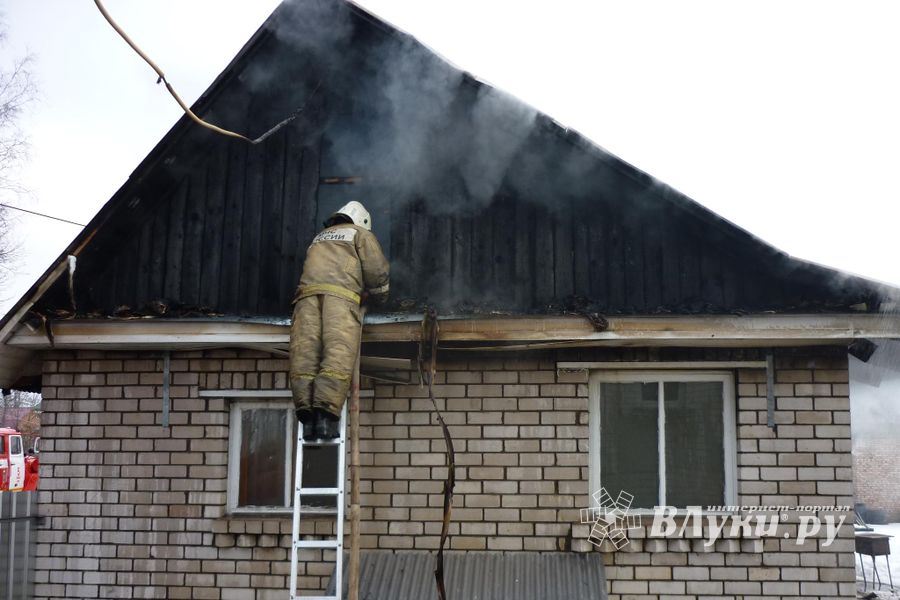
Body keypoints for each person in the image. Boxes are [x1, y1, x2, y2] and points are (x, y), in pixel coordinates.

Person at [289, 201, 390, 439]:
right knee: (338, 352)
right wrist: (380, 297)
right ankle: (325, 417)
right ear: (362, 221)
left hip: (305, 301)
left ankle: (308, 418)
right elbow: (376, 270)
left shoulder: (319, 238)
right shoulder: (360, 234)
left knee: (305, 355)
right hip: (340, 299)